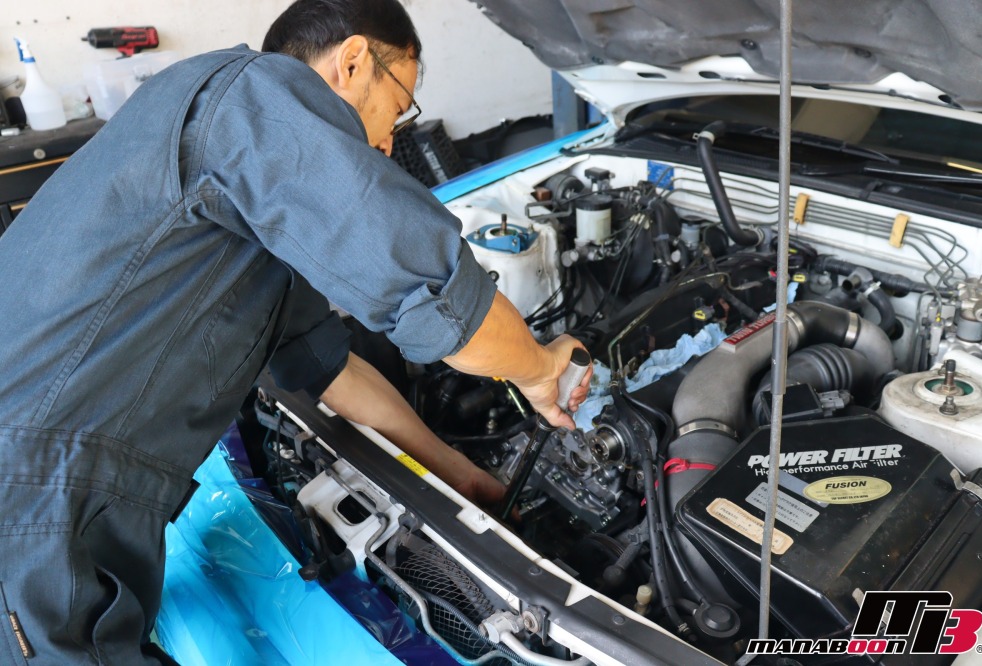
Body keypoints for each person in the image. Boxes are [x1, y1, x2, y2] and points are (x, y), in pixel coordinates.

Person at [0, 0, 591, 663]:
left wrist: (464, 479)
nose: (389, 141)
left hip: (59, 488)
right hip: (28, 495)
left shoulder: (250, 190)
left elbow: (327, 368)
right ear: (353, 62)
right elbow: (439, 298)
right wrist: (541, 369)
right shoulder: (253, 99)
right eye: (398, 108)